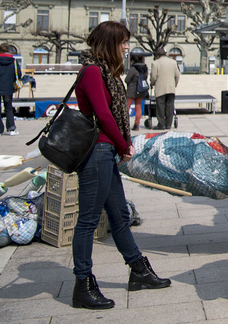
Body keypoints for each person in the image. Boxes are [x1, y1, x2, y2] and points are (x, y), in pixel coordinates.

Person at [72, 21, 171, 310]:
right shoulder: (92, 72)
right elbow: (103, 115)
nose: (127, 47)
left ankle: (139, 270)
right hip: (97, 151)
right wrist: (122, 144)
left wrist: (119, 143)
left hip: (105, 151)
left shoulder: (105, 71)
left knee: (120, 217)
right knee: (88, 221)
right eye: (123, 42)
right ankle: (82, 284)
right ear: (110, 43)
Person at [0, 43, 22, 136]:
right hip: (8, 87)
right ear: (8, 50)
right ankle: (11, 129)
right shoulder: (13, 61)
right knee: (8, 108)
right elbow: (18, 73)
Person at [149, 47, 180, 130]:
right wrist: (174, 84)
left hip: (160, 88)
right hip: (171, 88)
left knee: (160, 107)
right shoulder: (173, 62)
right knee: (170, 106)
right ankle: (168, 124)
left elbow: (153, 77)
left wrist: (152, 83)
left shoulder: (155, 63)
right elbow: (177, 75)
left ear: (158, 55)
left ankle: (161, 124)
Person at [124, 51, 150, 131]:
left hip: (131, 90)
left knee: (126, 107)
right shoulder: (145, 68)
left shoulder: (133, 68)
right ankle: (137, 124)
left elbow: (127, 80)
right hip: (141, 90)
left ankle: (125, 124)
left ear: (133, 60)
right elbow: (145, 78)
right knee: (138, 107)